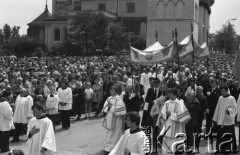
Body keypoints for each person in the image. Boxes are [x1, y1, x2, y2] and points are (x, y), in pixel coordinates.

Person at [160, 88, 191, 154]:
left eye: (171, 94)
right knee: (166, 141)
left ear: (175, 95)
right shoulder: (167, 103)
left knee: (175, 143)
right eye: (169, 94)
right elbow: (163, 112)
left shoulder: (179, 103)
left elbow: (182, 116)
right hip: (167, 125)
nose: (169, 96)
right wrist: (165, 114)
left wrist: (171, 114)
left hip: (176, 127)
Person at [212, 85, 237, 153]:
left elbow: (235, 109)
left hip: (228, 121)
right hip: (221, 121)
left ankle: (229, 148)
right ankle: (220, 148)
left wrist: (229, 111)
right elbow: (217, 108)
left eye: (223, 91)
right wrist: (215, 118)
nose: (222, 93)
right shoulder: (220, 98)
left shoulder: (232, 98)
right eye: (221, 91)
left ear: (227, 91)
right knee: (220, 135)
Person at [102, 86, 126, 155]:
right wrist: (108, 108)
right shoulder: (109, 98)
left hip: (116, 120)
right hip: (109, 118)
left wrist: (111, 107)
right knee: (107, 133)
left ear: (116, 91)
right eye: (110, 90)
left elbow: (121, 111)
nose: (111, 91)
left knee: (114, 134)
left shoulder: (119, 99)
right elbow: (104, 108)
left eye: (112, 90)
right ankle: (107, 147)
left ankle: (113, 148)